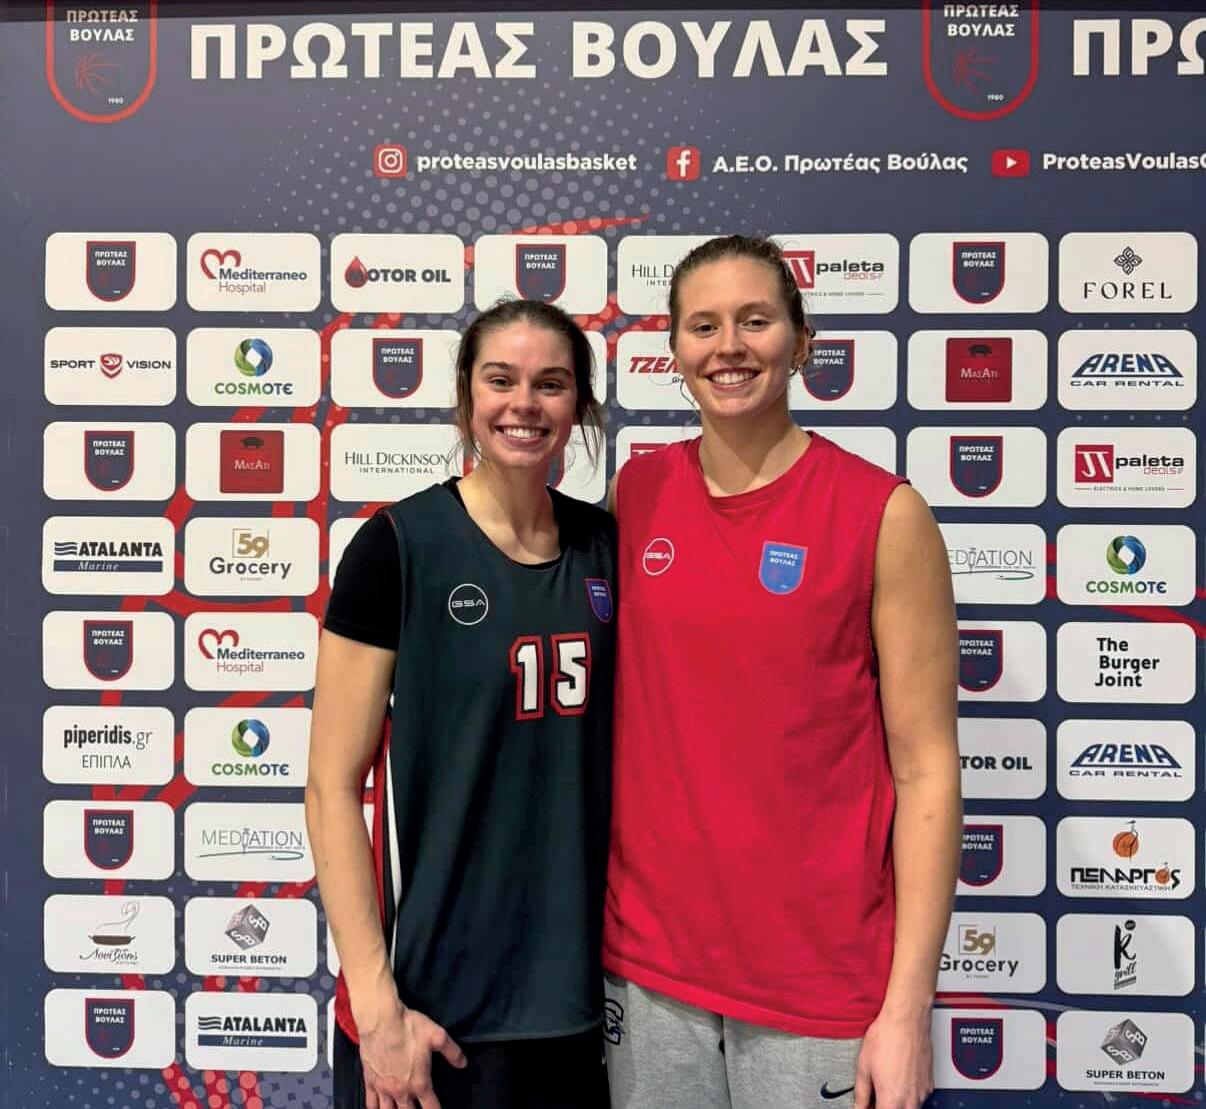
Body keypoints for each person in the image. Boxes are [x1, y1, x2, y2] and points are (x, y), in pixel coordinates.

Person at [602, 235, 962, 1109]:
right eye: (704, 325)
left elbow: (926, 768)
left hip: (819, 982)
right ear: (675, 349)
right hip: (648, 972)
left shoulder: (884, 513)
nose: (729, 346)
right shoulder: (634, 494)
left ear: (802, 342)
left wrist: (908, 1006)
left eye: (755, 320)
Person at [307, 298, 616, 1109]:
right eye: (501, 379)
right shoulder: (397, 548)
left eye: (551, 383)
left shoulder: (605, 549)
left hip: (578, 1010)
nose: (525, 404)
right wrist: (377, 1008)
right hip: (429, 1015)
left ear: (580, 404)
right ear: (466, 395)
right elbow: (330, 787)